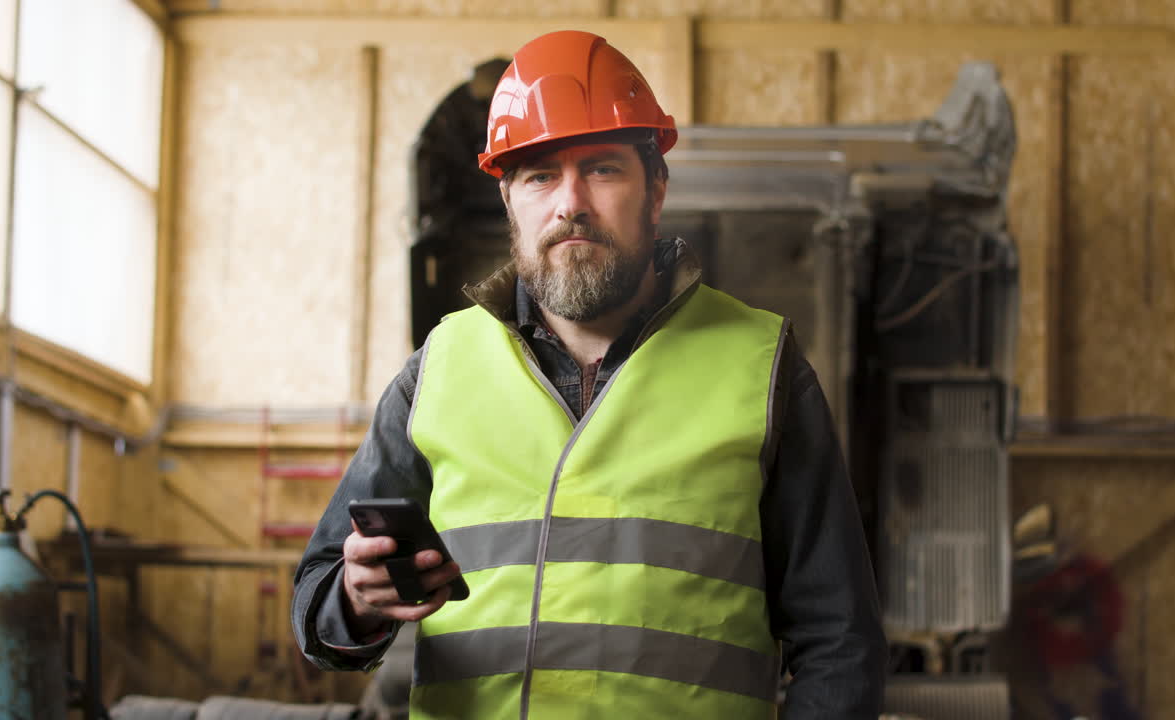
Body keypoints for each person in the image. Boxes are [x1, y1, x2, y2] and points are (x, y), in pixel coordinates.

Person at [293, 29, 886, 719]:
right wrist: (356, 602)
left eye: (602, 169)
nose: (570, 200)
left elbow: (841, 644)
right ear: (510, 201)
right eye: (540, 174)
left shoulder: (763, 367)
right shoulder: (438, 371)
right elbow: (318, 598)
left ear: (655, 190)